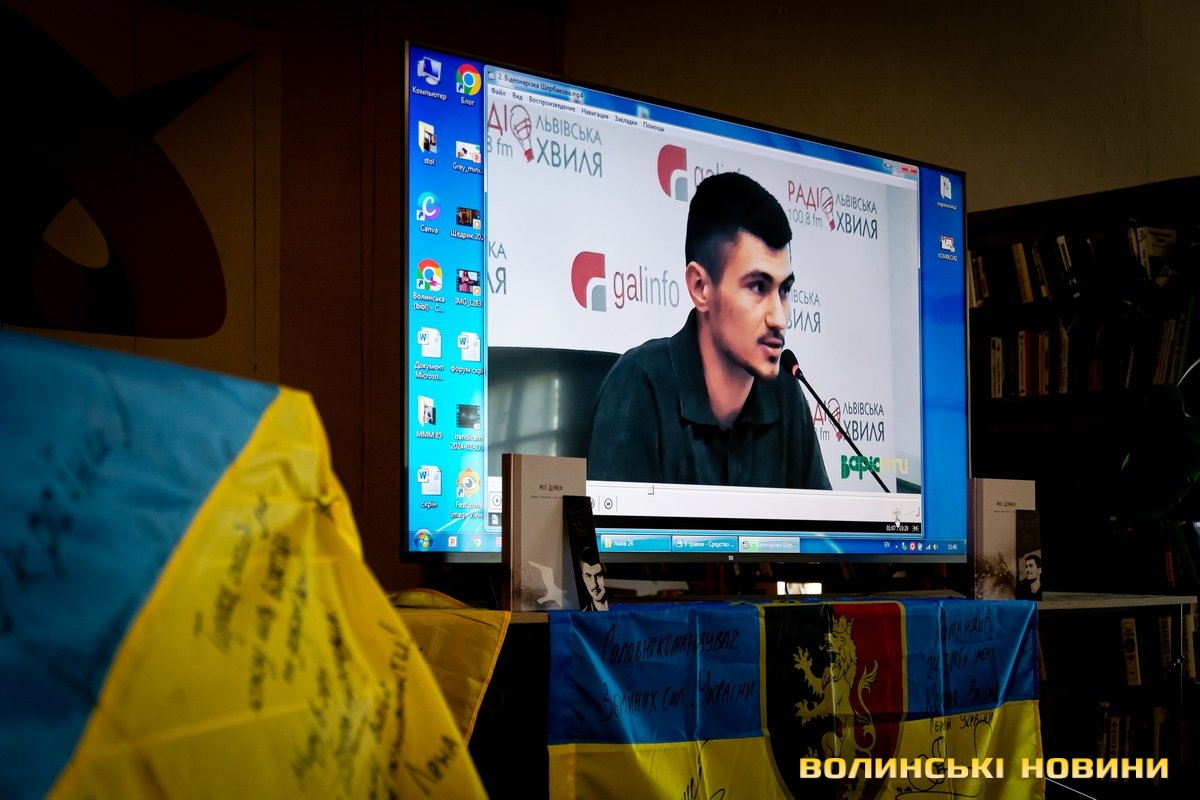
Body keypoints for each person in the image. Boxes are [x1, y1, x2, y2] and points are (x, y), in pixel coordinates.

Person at [587, 171, 831, 490]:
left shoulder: (786, 394)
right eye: (758, 286)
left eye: (784, 290)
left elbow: (823, 523)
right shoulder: (638, 385)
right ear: (701, 288)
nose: (779, 318)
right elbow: (613, 524)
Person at [577, 546, 608, 611]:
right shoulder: (584, 615)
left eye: (598, 575)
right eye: (588, 576)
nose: (594, 584)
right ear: (583, 578)